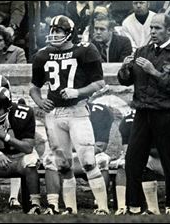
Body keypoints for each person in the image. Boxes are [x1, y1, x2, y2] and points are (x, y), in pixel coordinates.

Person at [29, 15, 109, 215]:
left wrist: (78, 92)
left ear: (69, 34)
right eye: (53, 30)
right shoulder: (42, 55)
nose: (54, 34)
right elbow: (34, 87)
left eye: (59, 31)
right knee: (63, 166)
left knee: (89, 161)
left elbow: (99, 83)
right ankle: (70, 209)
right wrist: (40, 102)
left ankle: (103, 208)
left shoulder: (85, 50)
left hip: (77, 111)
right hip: (54, 114)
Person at [117, 13, 170, 215]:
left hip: (167, 114)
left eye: (158, 28)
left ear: (169, 30)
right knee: (133, 160)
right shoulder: (142, 51)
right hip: (143, 112)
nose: (153, 32)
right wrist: (124, 69)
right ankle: (133, 206)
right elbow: (125, 80)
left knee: (169, 161)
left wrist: (155, 72)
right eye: (151, 28)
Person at [42, 102, 114, 215]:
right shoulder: (56, 114)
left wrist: (83, 151)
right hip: (71, 153)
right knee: (51, 161)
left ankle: (101, 205)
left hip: (91, 153)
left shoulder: (99, 111)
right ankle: (53, 205)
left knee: (102, 160)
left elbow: (101, 146)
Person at [0, 87, 40, 214]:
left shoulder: (24, 113)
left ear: (7, 108)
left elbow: (28, 148)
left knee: (31, 162)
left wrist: (6, 137)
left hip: (21, 155)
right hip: (1, 157)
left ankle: (35, 204)